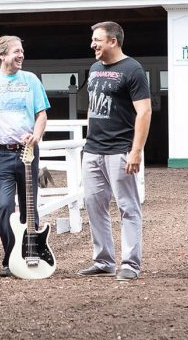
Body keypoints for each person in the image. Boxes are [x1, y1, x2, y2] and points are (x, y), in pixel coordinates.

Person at [77, 21, 152, 282]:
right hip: (93, 150)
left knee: (128, 207)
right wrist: (88, 141)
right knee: (93, 205)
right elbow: (92, 108)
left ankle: (130, 264)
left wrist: (136, 151)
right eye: (92, 40)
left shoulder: (133, 69)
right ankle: (103, 261)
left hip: (119, 150)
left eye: (97, 40)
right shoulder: (96, 68)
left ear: (113, 41)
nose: (92, 44)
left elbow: (144, 111)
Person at [0, 35, 50, 277]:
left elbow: (41, 114)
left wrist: (36, 136)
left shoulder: (31, 80)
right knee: (4, 206)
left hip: (27, 152)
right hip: (1, 154)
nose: (21, 55)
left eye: (22, 51)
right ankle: (10, 257)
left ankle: (30, 254)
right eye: (16, 51)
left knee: (30, 209)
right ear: (2, 55)